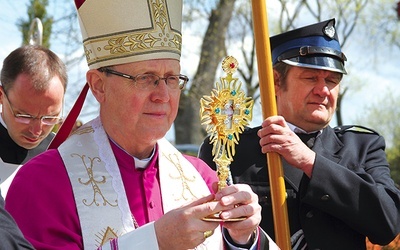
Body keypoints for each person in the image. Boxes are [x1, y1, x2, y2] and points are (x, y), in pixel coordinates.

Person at [5, 0, 277, 249]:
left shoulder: (203, 179)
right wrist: (154, 242)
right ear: (99, 86)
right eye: (146, 78)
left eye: (171, 78)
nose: (163, 95)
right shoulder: (41, 184)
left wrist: (242, 238)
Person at [199, 18, 400, 249]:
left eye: (332, 80)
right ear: (275, 81)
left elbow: (388, 223)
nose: (323, 90)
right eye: (311, 77)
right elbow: (205, 235)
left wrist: (310, 162)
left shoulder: (364, 147)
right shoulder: (230, 149)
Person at [0, 45, 67, 197]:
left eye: (50, 118)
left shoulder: (65, 153)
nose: (36, 131)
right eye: (24, 116)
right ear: (1, 96)